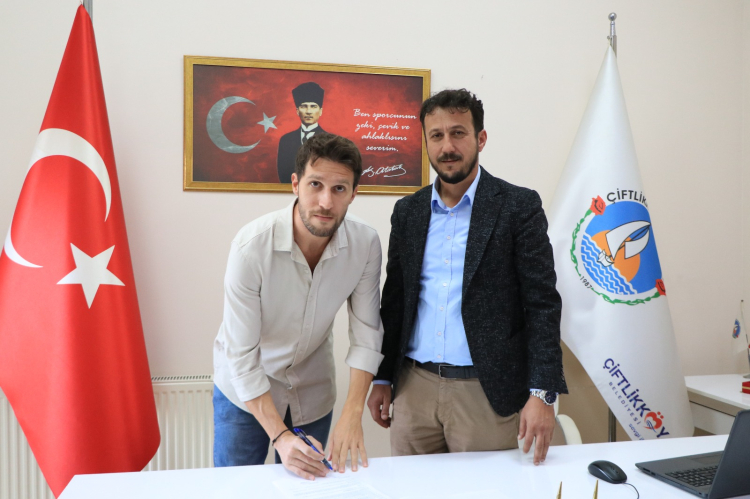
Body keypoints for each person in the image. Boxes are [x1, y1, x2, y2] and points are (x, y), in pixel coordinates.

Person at [367, 89, 567, 465]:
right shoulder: (408, 212)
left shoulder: (518, 206)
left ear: (481, 138)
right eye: (436, 135)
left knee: (486, 489)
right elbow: (395, 301)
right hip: (413, 389)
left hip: (486, 393)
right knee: (411, 490)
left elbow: (542, 305)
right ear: (426, 142)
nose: (447, 146)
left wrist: (542, 392)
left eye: (458, 133)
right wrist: (382, 377)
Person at [214, 133, 384, 480]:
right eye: (315, 184)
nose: (325, 202)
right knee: (235, 487)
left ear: (354, 193)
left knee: (309, 488)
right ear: (295, 184)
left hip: (312, 391)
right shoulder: (250, 247)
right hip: (246, 392)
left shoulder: (366, 244)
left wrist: (352, 414)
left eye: (339, 189)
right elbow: (242, 356)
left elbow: (367, 334)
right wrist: (280, 437)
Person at [277, 82, 327, 184]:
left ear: (320, 111)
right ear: (297, 111)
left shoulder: (330, 140)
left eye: (313, 106)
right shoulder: (286, 140)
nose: (308, 111)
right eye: (304, 106)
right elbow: (283, 172)